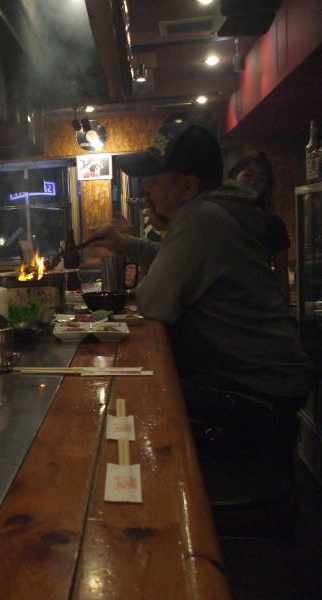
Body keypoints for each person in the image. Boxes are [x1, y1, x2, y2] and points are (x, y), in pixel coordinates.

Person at [87, 122, 311, 468]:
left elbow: (152, 302)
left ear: (188, 186)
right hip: (271, 381)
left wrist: (146, 270)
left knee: (130, 400)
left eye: (156, 179)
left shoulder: (201, 218)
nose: (147, 188)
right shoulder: (215, 211)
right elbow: (183, 263)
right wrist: (128, 245)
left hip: (257, 391)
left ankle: (163, 509)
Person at [227, 152, 291, 307]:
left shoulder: (272, 223)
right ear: (235, 176)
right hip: (223, 301)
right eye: (248, 175)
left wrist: (283, 314)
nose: (254, 182)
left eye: (261, 179)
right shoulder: (219, 214)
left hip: (260, 301)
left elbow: (282, 275)